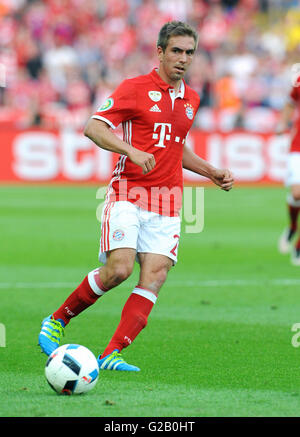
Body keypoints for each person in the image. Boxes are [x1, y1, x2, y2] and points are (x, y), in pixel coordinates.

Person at [38, 21, 234, 371]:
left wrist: (211, 171)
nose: (183, 58)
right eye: (176, 50)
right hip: (127, 192)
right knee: (119, 270)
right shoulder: (134, 88)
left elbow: (176, 146)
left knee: (155, 275)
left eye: (189, 52)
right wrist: (131, 151)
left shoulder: (191, 97)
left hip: (168, 200)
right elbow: (93, 127)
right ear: (159, 52)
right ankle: (57, 319)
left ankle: (111, 353)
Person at [277, 75, 300, 266]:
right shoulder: (299, 80)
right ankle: (293, 226)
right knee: (297, 193)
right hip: (298, 146)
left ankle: (299, 246)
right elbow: (290, 103)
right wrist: (282, 123)